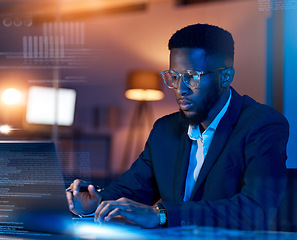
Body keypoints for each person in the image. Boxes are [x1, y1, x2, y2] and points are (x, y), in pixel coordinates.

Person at [66, 23, 289, 230]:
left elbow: (255, 210)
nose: (180, 89)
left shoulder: (263, 125)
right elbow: (132, 189)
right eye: (174, 76)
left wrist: (162, 214)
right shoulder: (164, 129)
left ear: (225, 77)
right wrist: (95, 201)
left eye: (192, 76)